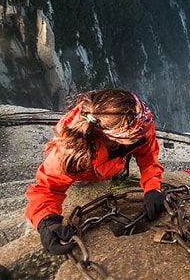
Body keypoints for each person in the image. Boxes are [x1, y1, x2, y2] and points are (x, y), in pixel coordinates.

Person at [25, 88, 165, 255]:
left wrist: (152, 188)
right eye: (137, 135)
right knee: (80, 178)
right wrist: (46, 221)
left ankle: (112, 168)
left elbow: (148, 156)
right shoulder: (71, 151)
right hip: (86, 171)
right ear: (111, 136)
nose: (147, 130)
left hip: (112, 163)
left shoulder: (138, 120)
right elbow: (48, 187)